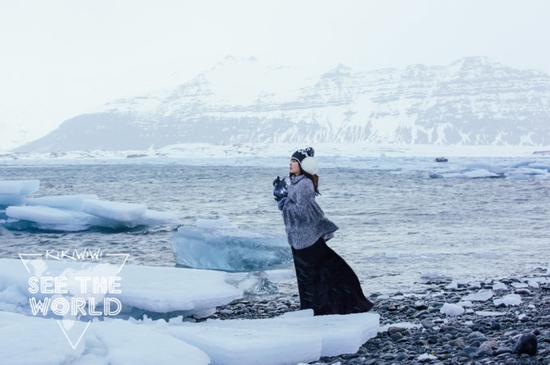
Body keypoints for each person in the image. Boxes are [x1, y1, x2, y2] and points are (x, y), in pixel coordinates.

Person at [273, 147, 374, 315]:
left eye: (294, 161)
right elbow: (291, 207)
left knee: (322, 272)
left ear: (303, 165)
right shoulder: (296, 182)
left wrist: (283, 200)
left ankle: (338, 305)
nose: (290, 164)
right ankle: (317, 308)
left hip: (307, 239)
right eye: (290, 161)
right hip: (299, 238)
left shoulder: (304, 184)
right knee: (311, 275)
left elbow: (302, 212)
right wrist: (280, 195)